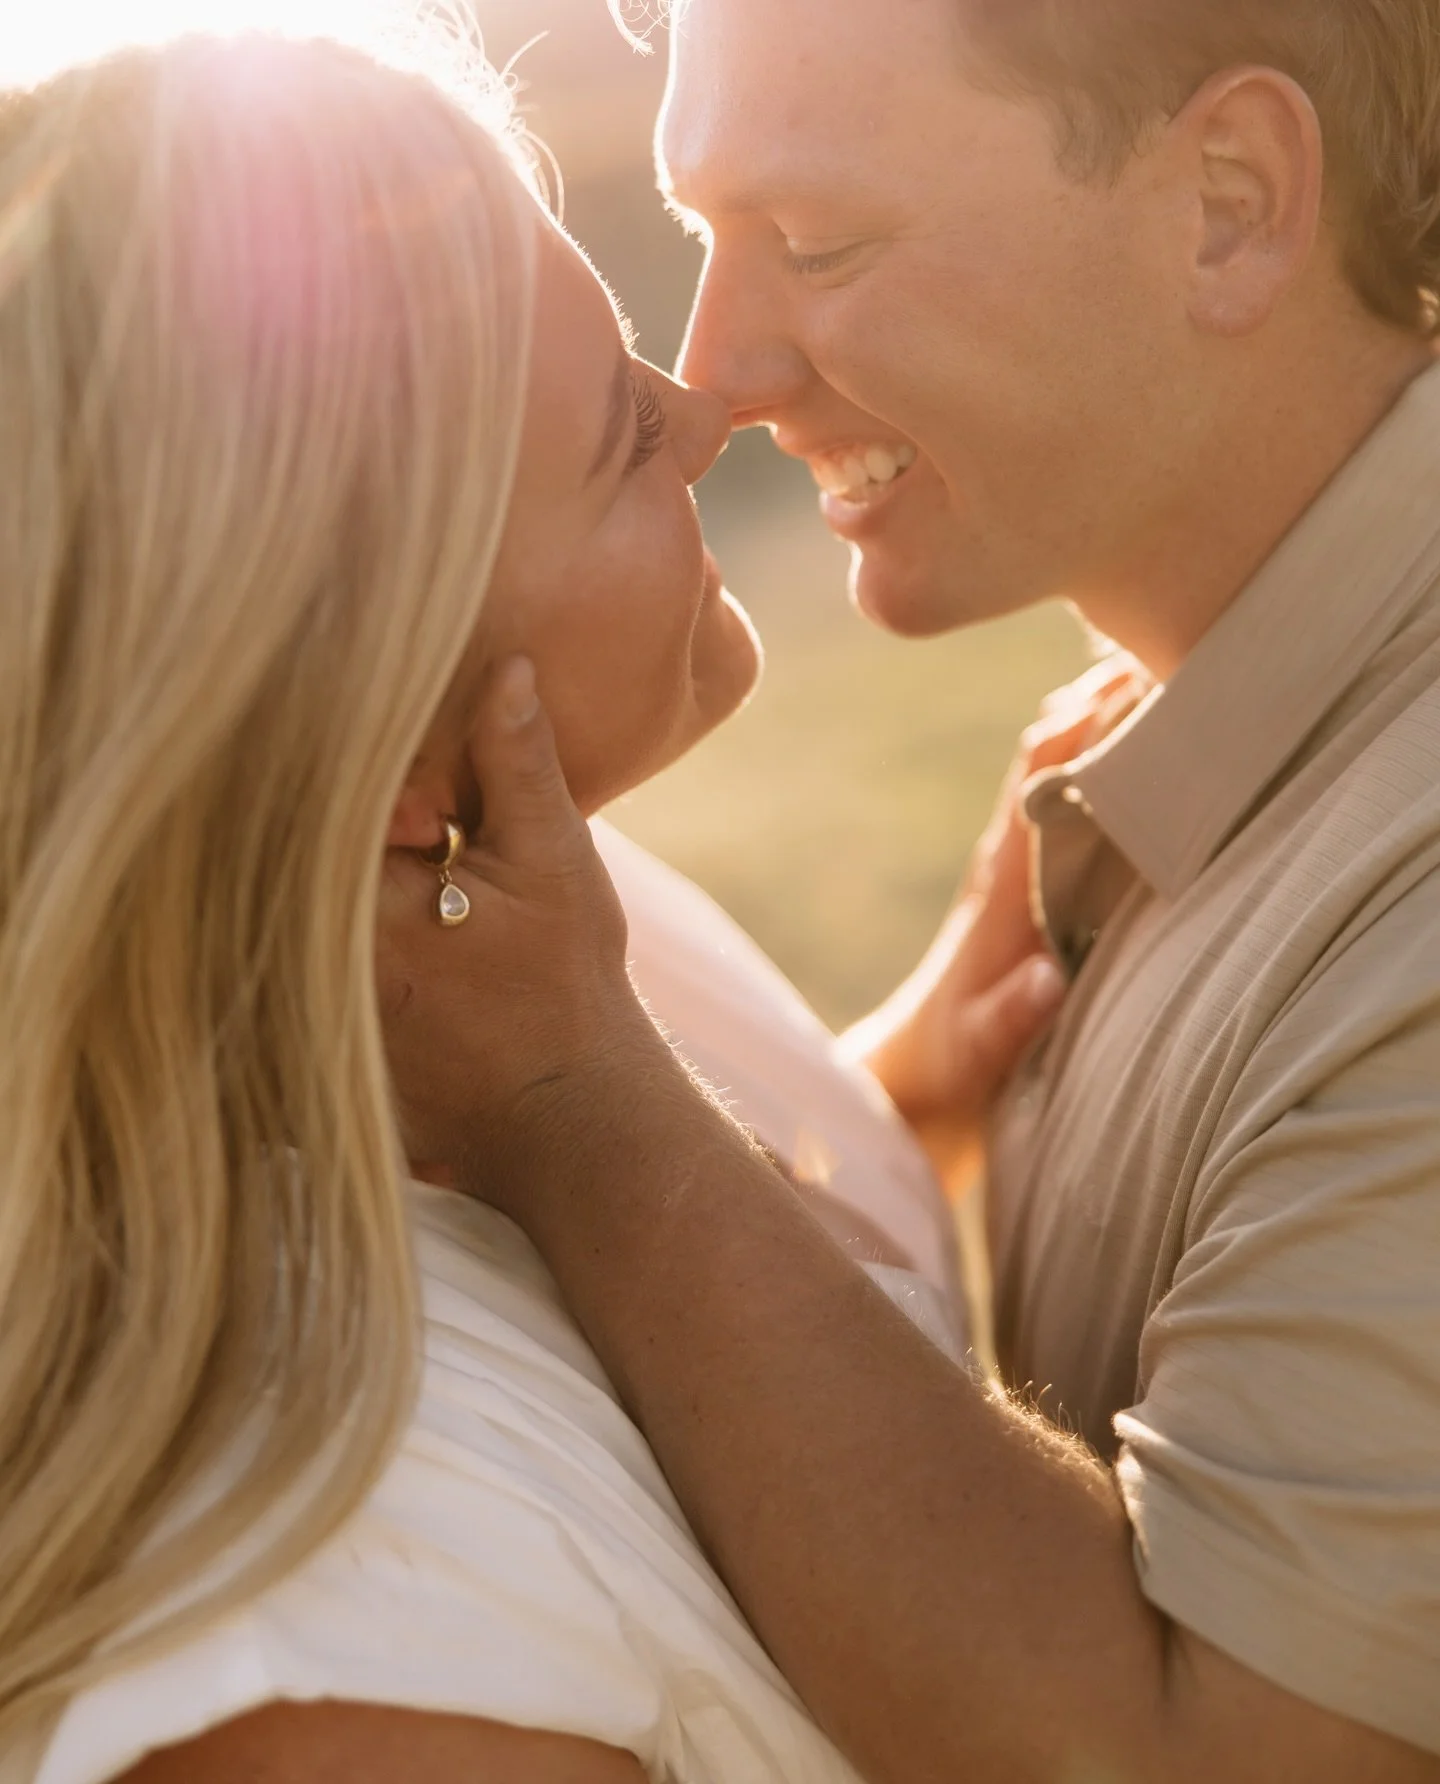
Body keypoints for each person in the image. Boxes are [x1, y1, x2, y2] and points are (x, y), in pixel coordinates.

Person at [377, 1, 1440, 1780]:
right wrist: (876, 1124)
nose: (713, 371)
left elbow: (1215, 1757)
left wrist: (582, 1110)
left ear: (1232, 202)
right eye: (703, 230)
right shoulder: (1181, 730)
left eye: (818, 243)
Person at [0, 25, 1035, 1783]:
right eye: (624, 433)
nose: (709, 413)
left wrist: (886, 1106)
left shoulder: (542, 937)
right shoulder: (354, 1669)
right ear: (389, 752)